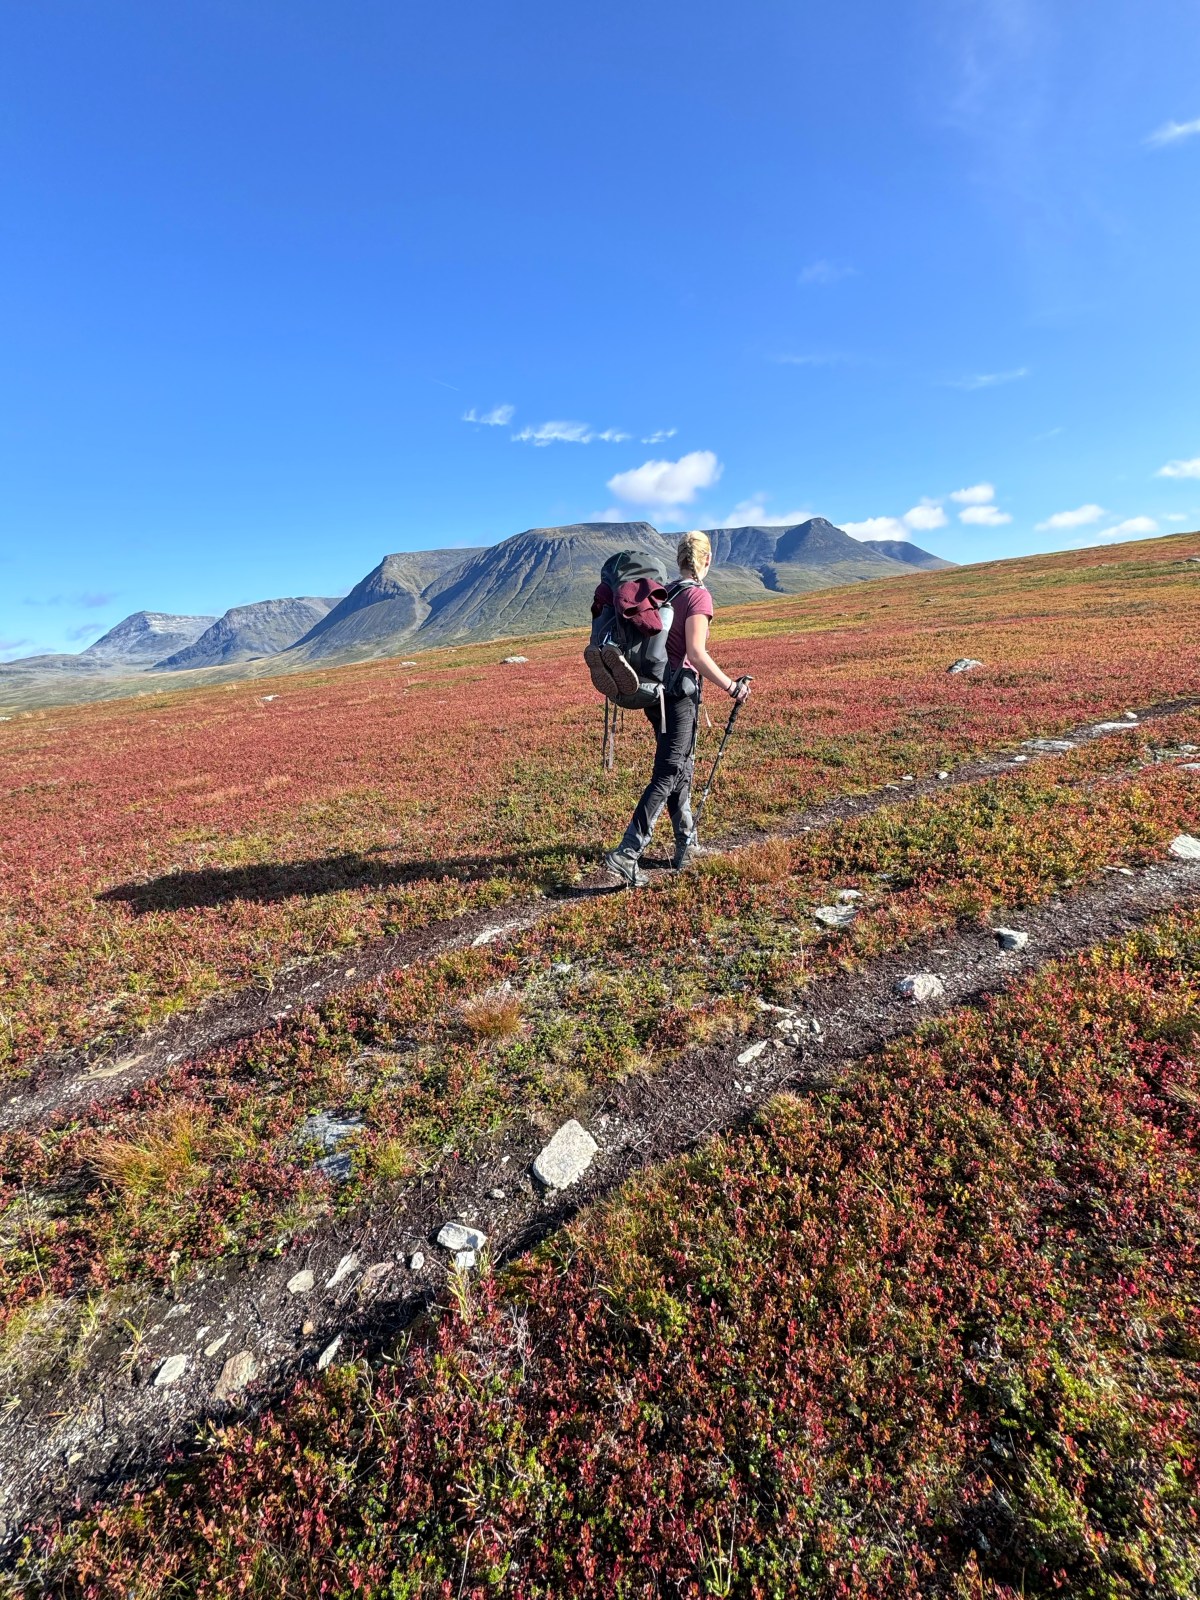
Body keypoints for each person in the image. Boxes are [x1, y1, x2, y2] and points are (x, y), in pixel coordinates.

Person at [604, 530, 751, 887]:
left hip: (656, 695)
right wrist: (732, 686)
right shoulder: (698, 596)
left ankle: (686, 844)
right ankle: (627, 852)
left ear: (678, 559)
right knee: (670, 770)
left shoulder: (664, 591)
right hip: (680, 695)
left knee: (679, 766)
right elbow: (696, 654)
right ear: (707, 560)